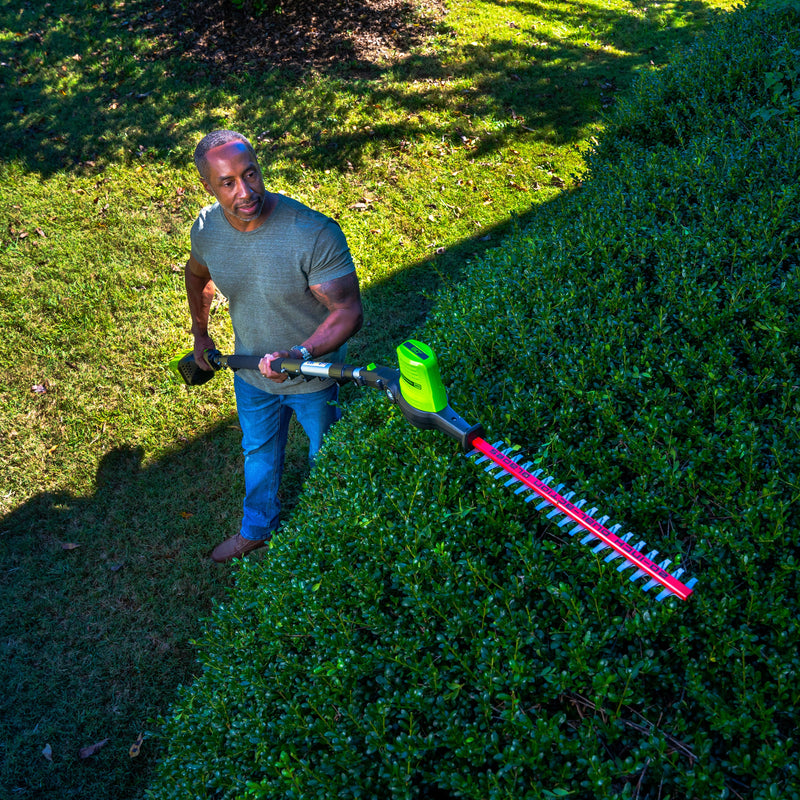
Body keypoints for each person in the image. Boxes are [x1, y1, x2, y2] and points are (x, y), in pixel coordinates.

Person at [184, 129, 363, 563]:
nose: (245, 192)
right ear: (208, 186)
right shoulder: (208, 229)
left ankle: (335, 531)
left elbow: (348, 312)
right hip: (250, 375)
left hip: (315, 378)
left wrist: (299, 356)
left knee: (331, 456)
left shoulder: (312, 233)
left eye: (251, 175)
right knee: (259, 455)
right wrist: (200, 333)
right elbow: (196, 274)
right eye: (227, 183)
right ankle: (257, 528)